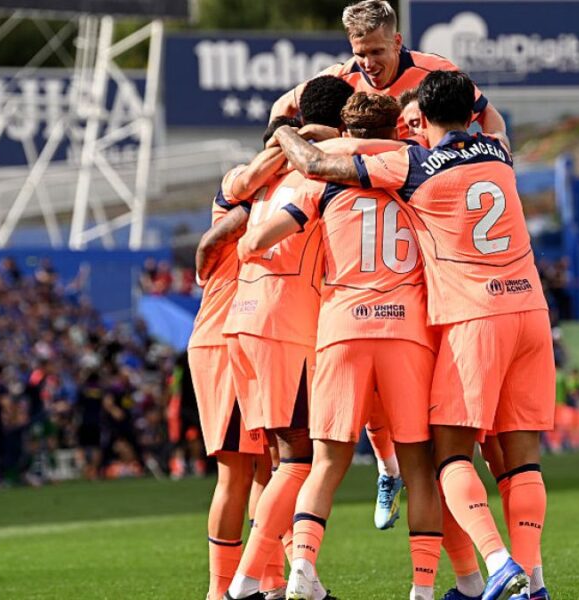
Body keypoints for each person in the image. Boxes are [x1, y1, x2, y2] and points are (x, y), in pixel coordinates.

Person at [273, 70, 554, 600]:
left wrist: (285, 129)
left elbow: (315, 166)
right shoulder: (500, 151)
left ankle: (497, 564)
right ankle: (532, 585)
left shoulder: (413, 164)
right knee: (522, 461)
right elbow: (490, 118)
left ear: (421, 119)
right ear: (472, 114)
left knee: (449, 457)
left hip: (473, 318)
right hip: (532, 311)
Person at [240, 93, 443, 600]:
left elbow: (257, 241)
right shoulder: (416, 168)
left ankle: (301, 570)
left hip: (343, 328)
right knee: (419, 467)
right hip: (405, 331)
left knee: (325, 464)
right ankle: (422, 589)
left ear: (344, 131)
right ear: (395, 127)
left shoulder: (323, 178)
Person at [222, 75, 356, 600]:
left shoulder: (270, 168)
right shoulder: (315, 171)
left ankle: (292, 583)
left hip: (245, 320)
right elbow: (255, 239)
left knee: (280, 463)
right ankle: (244, 584)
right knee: (300, 457)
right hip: (283, 323)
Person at [190, 126, 296, 600]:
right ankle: (220, 591)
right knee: (236, 470)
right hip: (223, 338)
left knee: (267, 468)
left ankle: (271, 582)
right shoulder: (242, 188)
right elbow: (212, 241)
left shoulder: (290, 201)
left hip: (256, 337)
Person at [270, 0, 508, 147]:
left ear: (397, 41)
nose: (368, 63)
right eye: (360, 54)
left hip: (421, 181)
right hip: (362, 182)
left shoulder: (434, 71)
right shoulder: (338, 79)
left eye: (377, 51)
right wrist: (276, 146)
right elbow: (282, 105)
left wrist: (498, 148)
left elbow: (487, 113)